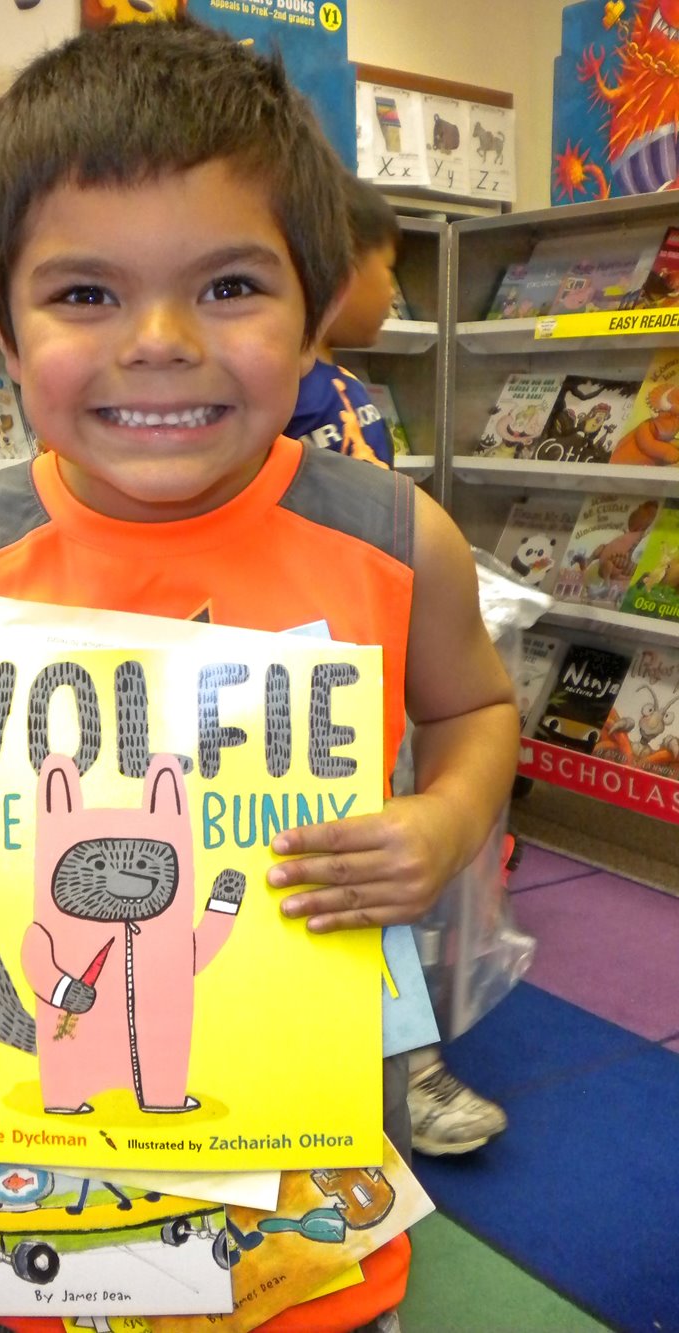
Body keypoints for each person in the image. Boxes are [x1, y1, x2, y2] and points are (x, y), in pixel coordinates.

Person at [0, 19, 519, 1333]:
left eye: (229, 286)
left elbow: (474, 708)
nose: (160, 340)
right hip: (31, 1225)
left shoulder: (396, 538)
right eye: (84, 294)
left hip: (306, 1218)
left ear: (317, 312)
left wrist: (445, 821)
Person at [287, 175, 512, 1159]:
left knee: (368, 873)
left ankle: (402, 1065)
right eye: (388, 270)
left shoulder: (346, 393)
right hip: (296, 691)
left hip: (361, 685)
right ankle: (400, 1067)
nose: (394, 293)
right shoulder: (300, 393)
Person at [285, 174, 400, 467]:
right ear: (337, 274)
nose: (392, 292)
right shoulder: (284, 400)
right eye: (388, 268)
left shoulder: (344, 383)